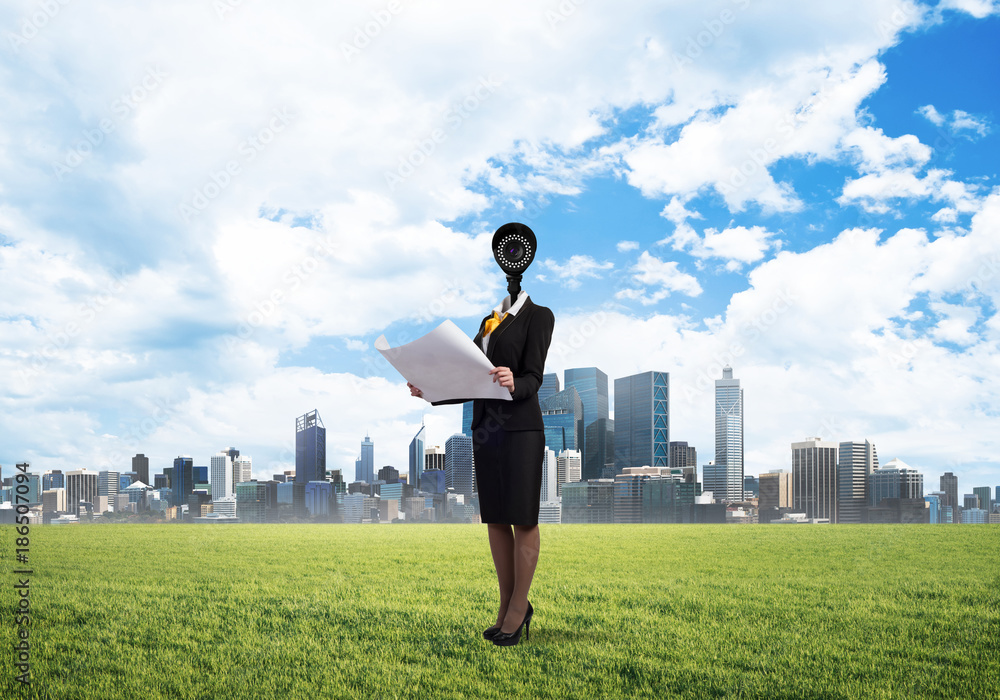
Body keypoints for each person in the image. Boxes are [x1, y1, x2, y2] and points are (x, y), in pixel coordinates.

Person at [408, 288, 554, 646]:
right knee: (496, 519)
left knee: (523, 519)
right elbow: (470, 379)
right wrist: (430, 392)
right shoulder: (488, 322)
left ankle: (519, 606)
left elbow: (534, 376)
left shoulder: (539, 315)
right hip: (486, 431)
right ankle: (505, 605)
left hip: (521, 429)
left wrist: (515, 381)